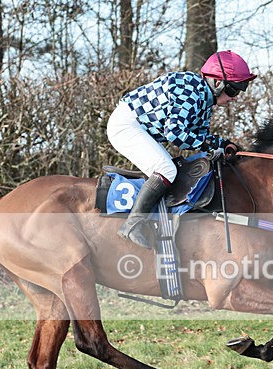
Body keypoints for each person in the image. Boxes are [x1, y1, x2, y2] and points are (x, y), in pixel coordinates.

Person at [106, 50, 256, 248]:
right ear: (217, 83)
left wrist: (222, 144)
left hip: (139, 126)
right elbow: (175, 133)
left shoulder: (203, 99)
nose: (234, 97)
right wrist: (208, 144)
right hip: (126, 125)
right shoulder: (191, 90)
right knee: (166, 169)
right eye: (234, 90)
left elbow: (200, 136)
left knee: (170, 169)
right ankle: (132, 225)